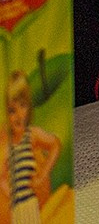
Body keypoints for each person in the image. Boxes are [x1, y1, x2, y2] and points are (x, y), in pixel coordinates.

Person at [5, 72, 58, 224]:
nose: (18, 115)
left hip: (29, 203)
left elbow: (55, 144)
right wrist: (8, 192)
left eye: (22, 106)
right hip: (16, 207)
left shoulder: (31, 134)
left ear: (29, 107)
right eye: (12, 111)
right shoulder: (9, 145)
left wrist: (42, 175)